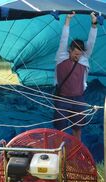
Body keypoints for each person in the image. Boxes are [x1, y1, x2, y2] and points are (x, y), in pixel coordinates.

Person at [54, 12, 97, 141]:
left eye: (80, 54)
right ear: (70, 50)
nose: (77, 56)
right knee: (60, 129)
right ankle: (58, 151)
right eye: (75, 53)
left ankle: (76, 151)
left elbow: (91, 41)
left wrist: (94, 23)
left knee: (77, 128)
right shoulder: (61, 56)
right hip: (62, 98)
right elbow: (64, 38)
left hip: (78, 99)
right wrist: (67, 20)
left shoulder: (84, 59)